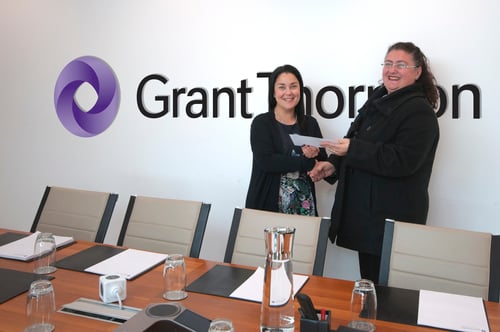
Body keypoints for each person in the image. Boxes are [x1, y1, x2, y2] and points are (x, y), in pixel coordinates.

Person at [309, 42, 440, 283]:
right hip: (369, 219)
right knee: (371, 290)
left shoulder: (419, 112)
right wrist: (334, 165)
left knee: (390, 298)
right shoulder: (377, 101)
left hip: (391, 223)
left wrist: (353, 148)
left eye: (401, 65)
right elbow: (355, 139)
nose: (392, 70)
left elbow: (403, 160)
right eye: (388, 63)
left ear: (418, 71)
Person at [245, 64, 327, 216]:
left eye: (293, 86)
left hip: (304, 208)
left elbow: (322, 162)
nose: (288, 92)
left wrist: (315, 156)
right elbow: (266, 161)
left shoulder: (310, 124)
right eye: (282, 87)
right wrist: (306, 161)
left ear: (300, 90)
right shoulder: (261, 123)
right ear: (273, 92)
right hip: (267, 208)